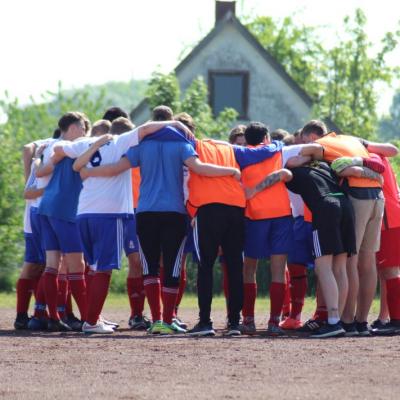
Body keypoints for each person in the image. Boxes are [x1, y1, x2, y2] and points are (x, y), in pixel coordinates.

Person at [302, 120, 398, 336]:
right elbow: (391, 149)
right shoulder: (352, 139)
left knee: (349, 262)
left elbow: (304, 155)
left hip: (357, 197)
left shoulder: (320, 145)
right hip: (378, 197)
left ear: (310, 137)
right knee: (369, 261)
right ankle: (362, 322)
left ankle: (347, 321)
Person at [35, 112, 89, 331]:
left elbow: (40, 171)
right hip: (65, 208)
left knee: (52, 264)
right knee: (77, 265)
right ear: (74, 128)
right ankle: (89, 319)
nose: (85, 133)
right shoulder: (75, 147)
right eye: (83, 128)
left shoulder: (52, 146)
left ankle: (54, 317)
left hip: (46, 207)